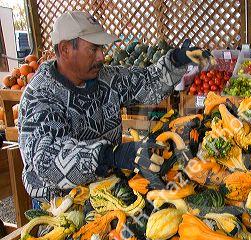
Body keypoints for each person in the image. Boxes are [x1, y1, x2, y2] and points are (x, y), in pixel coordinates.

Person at [18, 11, 211, 200]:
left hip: (106, 190)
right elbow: (45, 161)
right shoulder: (40, 96)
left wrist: (176, 60)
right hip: (60, 204)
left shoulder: (106, 78)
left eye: (101, 48)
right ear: (65, 49)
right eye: (93, 49)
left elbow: (148, 82)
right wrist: (112, 155)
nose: (102, 56)